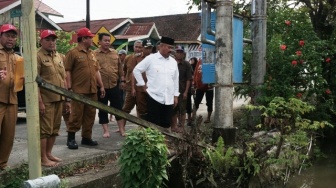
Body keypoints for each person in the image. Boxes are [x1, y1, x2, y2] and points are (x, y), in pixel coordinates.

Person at [65, 27, 105, 149]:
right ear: (83, 39)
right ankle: (71, 139)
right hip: (79, 91)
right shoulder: (73, 53)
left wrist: (101, 86)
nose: (92, 39)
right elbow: (67, 71)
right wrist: (69, 88)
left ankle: (86, 138)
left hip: (92, 90)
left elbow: (97, 70)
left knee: (90, 115)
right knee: (76, 115)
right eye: (89, 38)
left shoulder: (92, 53)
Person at [133, 36, 179, 129]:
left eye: (171, 48)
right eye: (168, 47)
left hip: (168, 98)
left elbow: (175, 80)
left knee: (166, 124)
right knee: (154, 125)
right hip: (154, 97)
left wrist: (175, 96)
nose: (170, 50)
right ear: (161, 46)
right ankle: (154, 143)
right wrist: (142, 85)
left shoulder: (173, 62)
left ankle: (164, 143)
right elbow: (136, 70)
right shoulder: (151, 59)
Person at [37, 30, 66, 166]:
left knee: (55, 128)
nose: (51, 42)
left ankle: (49, 153)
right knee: (45, 130)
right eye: (48, 39)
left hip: (59, 98)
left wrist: (67, 99)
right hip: (46, 99)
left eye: (53, 40)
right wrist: (39, 102)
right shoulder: (38, 56)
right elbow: (34, 81)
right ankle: (42, 158)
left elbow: (63, 78)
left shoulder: (58, 56)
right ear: (41, 41)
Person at [95, 33, 125, 138]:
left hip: (114, 85)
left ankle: (121, 129)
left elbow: (120, 68)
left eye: (109, 40)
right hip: (101, 86)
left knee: (118, 108)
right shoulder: (94, 54)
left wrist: (122, 81)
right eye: (105, 40)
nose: (107, 42)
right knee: (102, 109)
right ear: (99, 41)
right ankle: (106, 131)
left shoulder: (115, 53)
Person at [0, 24, 21, 170]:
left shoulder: (18, 58)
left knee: (8, 135)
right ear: (0, 36)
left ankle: (2, 163)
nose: (11, 39)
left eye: (13, 36)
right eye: (7, 35)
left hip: (12, 100)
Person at [118, 40, 143, 135]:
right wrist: (123, 81)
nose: (138, 49)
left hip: (141, 88)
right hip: (129, 88)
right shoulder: (128, 58)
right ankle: (122, 128)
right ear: (133, 47)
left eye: (140, 47)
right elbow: (123, 71)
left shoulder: (145, 58)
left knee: (141, 109)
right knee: (126, 108)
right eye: (136, 47)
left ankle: (141, 130)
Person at [171, 46, 192, 132]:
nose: (179, 54)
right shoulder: (171, 63)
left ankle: (182, 126)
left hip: (182, 90)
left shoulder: (186, 64)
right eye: (178, 52)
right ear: (175, 53)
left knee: (182, 109)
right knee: (173, 110)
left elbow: (188, 79)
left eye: (181, 52)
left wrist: (186, 92)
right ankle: (174, 126)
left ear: (183, 54)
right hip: (171, 91)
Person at [131, 39, 153, 119]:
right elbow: (133, 73)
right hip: (140, 87)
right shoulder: (136, 58)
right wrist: (133, 88)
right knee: (141, 107)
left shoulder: (155, 58)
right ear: (143, 48)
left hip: (152, 87)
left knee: (151, 107)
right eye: (146, 48)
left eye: (150, 48)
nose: (148, 50)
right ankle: (142, 126)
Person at [193, 59, 214, 123]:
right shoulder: (199, 61)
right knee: (196, 101)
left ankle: (208, 118)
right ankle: (192, 116)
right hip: (199, 86)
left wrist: (212, 82)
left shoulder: (212, 61)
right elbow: (196, 72)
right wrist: (194, 83)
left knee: (209, 103)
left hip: (209, 86)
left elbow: (214, 72)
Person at [110, 49, 127, 122]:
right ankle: (111, 115)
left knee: (122, 101)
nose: (120, 56)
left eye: (121, 55)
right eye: (119, 55)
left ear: (124, 55)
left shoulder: (126, 62)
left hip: (124, 83)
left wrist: (123, 81)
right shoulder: (116, 62)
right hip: (116, 83)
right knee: (114, 100)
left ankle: (121, 116)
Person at [186, 57, 198, 123]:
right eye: (191, 60)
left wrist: (193, 86)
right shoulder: (190, 66)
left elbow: (192, 77)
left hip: (190, 87)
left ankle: (190, 117)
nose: (191, 61)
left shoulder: (191, 67)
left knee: (189, 103)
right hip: (182, 88)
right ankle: (188, 117)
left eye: (192, 60)